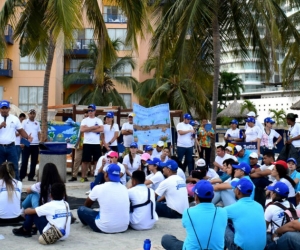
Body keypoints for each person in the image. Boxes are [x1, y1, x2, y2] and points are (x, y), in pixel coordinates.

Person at [161, 180, 228, 250]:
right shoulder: (223, 212)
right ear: (213, 195)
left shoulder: (188, 212)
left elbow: (185, 225)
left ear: (195, 197)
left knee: (166, 239)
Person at [77, 164, 129, 233]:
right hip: (123, 227)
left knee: (81, 209)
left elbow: (87, 204)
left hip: (104, 227)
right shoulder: (124, 188)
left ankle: (87, 223)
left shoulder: (99, 188)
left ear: (106, 175)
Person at [225, 178, 266, 250]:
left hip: (241, 248)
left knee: (223, 225)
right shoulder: (259, 206)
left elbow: (214, 215)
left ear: (238, 191)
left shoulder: (233, 208)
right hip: (261, 248)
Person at [0, 100, 32, 180]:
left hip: (11, 147)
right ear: (0, 109)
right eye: (2, 108)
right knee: (0, 168)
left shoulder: (14, 119)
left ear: (9, 109)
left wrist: (27, 137)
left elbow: (20, 130)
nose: (4, 110)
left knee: (14, 167)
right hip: (0, 147)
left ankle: (16, 188)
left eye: (6, 108)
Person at [80, 104, 103, 182]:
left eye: (92, 110)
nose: (90, 112)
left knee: (97, 160)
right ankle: (83, 176)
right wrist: (94, 127)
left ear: (95, 111)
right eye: (89, 110)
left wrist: (88, 129)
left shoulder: (98, 120)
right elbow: (82, 129)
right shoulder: (84, 120)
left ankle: (96, 175)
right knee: (85, 161)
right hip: (87, 143)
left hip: (96, 143)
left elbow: (101, 129)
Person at [20, 109, 41, 182]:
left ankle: (31, 176)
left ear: (35, 114)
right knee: (24, 160)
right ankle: (21, 176)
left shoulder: (37, 123)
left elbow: (39, 133)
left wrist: (40, 141)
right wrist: (22, 142)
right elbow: (21, 132)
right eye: (31, 113)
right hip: (26, 143)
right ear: (28, 114)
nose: (32, 115)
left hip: (35, 144)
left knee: (34, 161)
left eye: (33, 113)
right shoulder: (24, 122)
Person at [69, 111, 89, 182]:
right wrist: (76, 144)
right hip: (80, 145)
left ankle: (85, 176)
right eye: (85, 116)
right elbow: (78, 135)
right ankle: (74, 176)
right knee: (77, 160)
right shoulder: (80, 125)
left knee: (86, 161)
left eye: (87, 116)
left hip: (87, 145)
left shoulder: (91, 126)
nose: (85, 117)